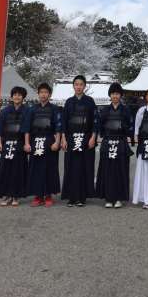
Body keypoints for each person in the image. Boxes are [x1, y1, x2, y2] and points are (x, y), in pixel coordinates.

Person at [61, 75, 98, 207]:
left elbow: (95, 121)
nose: (78, 87)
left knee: (84, 167)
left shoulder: (90, 101)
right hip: (72, 139)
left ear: (85, 86)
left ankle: (82, 196)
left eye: (81, 84)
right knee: (71, 167)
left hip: (86, 139)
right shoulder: (69, 102)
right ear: (73, 86)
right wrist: (64, 139)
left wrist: (93, 137)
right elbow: (64, 122)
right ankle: (71, 197)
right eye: (76, 84)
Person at [23, 83, 62, 208]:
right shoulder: (32, 109)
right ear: (38, 94)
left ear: (49, 94)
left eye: (46, 92)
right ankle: (38, 196)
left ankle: (48, 195)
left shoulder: (55, 109)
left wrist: (57, 142)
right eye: (41, 92)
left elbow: (58, 127)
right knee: (36, 169)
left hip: (49, 141)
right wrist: (27, 143)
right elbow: (27, 128)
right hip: (35, 141)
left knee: (49, 168)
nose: (43, 94)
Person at [96, 82, 133, 208]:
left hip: (121, 142)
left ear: (120, 95)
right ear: (110, 95)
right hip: (108, 142)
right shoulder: (105, 110)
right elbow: (100, 126)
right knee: (107, 170)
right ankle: (108, 198)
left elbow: (130, 126)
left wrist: (124, 130)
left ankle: (119, 198)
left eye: (117, 94)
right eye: (113, 94)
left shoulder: (126, 110)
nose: (115, 96)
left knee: (120, 170)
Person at [0, 86, 29, 206]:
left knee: (18, 170)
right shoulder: (5, 111)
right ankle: (6, 194)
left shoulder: (27, 111)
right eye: (15, 94)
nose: (17, 97)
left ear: (23, 97)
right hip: (7, 143)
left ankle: (15, 195)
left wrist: (26, 143)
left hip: (19, 144)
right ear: (11, 97)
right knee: (5, 170)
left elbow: (27, 129)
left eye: (19, 95)